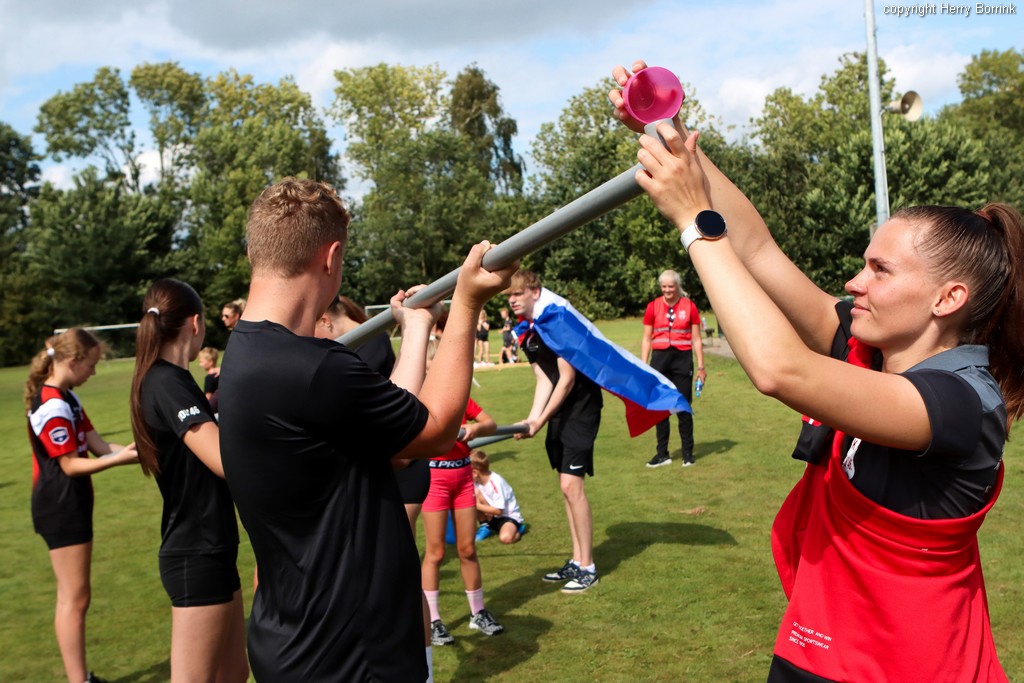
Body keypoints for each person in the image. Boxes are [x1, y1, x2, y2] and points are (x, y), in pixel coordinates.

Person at [612, 60, 1024, 683]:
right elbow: (756, 250)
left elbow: (782, 370)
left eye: (880, 270)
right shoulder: (865, 348)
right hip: (815, 653)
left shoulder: (961, 403)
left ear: (948, 299)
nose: (855, 282)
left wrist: (695, 224)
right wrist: (668, 127)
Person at [217, 177, 516, 682]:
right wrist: (467, 304)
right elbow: (436, 431)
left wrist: (416, 329)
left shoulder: (249, 353)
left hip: (292, 644)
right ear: (332, 258)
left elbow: (395, 436)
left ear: (255, 252)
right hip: (352, 657)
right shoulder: (311, 367)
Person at [128, 279, 248, 683]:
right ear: (195, 323)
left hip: (214, 543)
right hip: (195, 550)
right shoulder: (166, 382)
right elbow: (224, 460)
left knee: (234, 672)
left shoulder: (173, 379)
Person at [24, 329, 139, 683]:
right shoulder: (53, 405)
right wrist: (120, 460)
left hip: (70, 504)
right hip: (60, 507)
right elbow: (71, 465)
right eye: (91, 364)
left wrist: (141, 451)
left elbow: (99, 446)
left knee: (73, 597)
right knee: (74, 599)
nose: (93, 372)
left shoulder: (67, 397)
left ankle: (80, 678)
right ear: (73, 361)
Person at [509, 270, 603, 594]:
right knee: (566, 488)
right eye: (509, 296)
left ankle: (588, 567)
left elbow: (566, 379)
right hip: (559, 411)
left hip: (581, 410)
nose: (512, 300)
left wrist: (539, 421)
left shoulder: (556, 323)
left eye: (518, 294)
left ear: (535, 292)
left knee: (571, 486)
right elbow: (544, 379)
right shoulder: (527, 332)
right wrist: (532, 419)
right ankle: (577, 560)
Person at [421, 399, 503, 646]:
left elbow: (490, 424)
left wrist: (475, 429)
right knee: (435, 553)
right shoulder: (423, 398)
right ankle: (433, 621)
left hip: (463, 477)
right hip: (434, 478)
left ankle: (478, 613)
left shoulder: (459, 398)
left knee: (467, 549)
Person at [640, 270, 705, 467]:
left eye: (671, 286)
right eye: (664, 287)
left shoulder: (689, 306)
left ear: (677, 286)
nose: (667, 290)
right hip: (660, 360)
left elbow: (696, 339)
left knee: (683, 406)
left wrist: (701, 367)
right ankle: (662, 454)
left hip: (682, 360)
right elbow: (646, 338)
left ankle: (687, 454)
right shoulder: (652, 307)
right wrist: (643, 365)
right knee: (660, 408)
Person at [471, 449, 526, 544]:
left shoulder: (496, 482)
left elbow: (499, 511)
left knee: (505, 538)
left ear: (475, 473)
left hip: (508, 518)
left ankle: (519, 529)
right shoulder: (476, 481)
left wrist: (475, 505)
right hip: (492, 516)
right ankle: (485, 526)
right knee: (473, 493)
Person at [197, 347, 220, 413]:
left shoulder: (209, 378)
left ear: (210, 362)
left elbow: (208, 398)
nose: (200, 365)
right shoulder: (221, 374)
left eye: (201, 362)